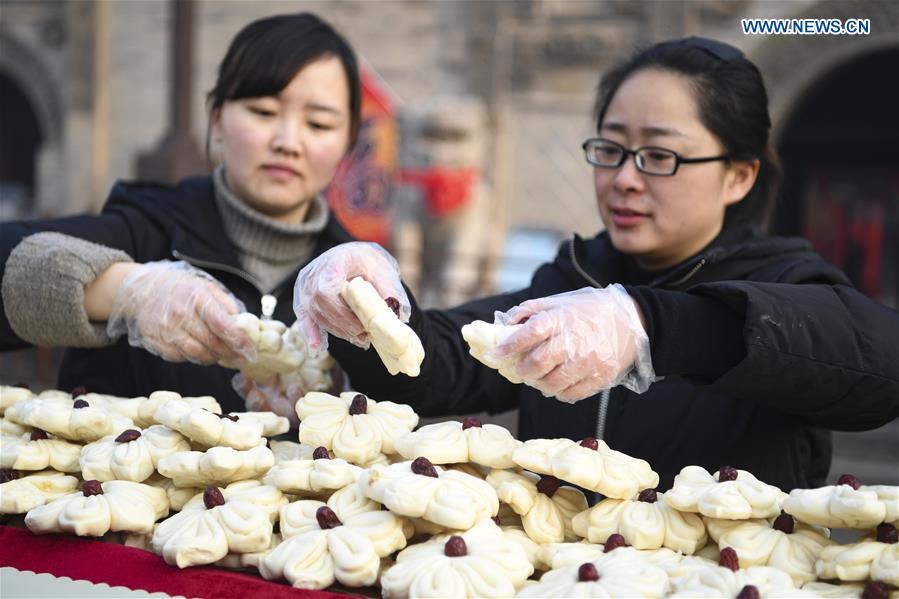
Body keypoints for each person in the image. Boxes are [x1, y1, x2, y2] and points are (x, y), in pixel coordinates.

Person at [293, 36, 899, 492]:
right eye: (610, 149)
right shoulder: (571, 280)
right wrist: (369, 305)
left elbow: (875, 362)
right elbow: (441, 362)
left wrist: (651, 325)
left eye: (659, 155)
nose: (625, 180)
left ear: (738, 175)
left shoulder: (785, 280)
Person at [0, 13, 360, 417]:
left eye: (318, 123)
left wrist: (340, 396)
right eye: (262, 112)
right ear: (217, 120)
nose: (287, 142)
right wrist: (126, 291)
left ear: (348, 141)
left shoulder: (358, 283)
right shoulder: (145, 229)